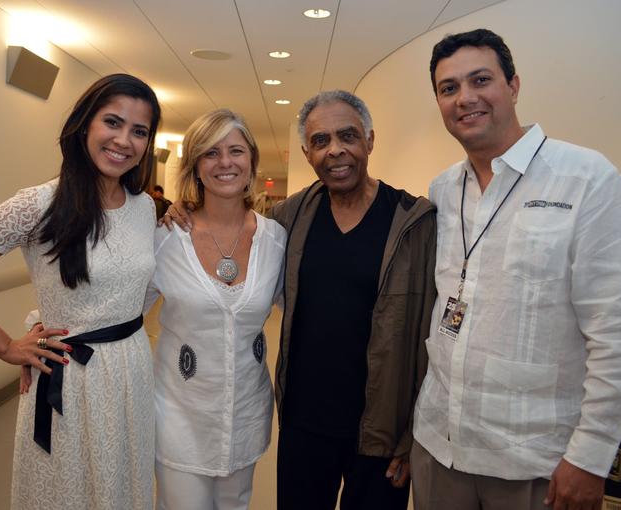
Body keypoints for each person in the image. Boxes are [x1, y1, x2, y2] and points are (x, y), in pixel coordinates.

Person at [166, 92, 437, 509]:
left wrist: (412, 434)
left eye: (347, 135)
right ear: (308, 153)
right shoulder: (289, 220)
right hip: (304, 425)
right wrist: (182, 207)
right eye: (321, 140)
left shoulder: (413, 222)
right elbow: (231, 227)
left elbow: (427, 334)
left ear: (369, 140)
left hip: (381, 432)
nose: (336, 150)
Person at [411, 29, 621, 510]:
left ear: (514, 86)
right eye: (448, 88)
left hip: (535, 462)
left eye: (481, 80)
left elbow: (617, 333)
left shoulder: (586, 179)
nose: (465, 98)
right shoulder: (442, 190)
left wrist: (591, 457)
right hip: (439, 445)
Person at [0, 74, 162, 510]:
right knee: (68, 492)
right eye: (112, 122)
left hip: (131, 368)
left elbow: (139, 287)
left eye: (139, 131)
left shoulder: (144, 207)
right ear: (85, 125)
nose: (123, 140)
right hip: (71, 377)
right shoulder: (37, 204)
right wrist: (7, 347)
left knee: (123, 485)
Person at [146, 109, 285, 509]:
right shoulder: (165, 237)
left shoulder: (275, 239)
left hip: (245, 413)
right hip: (178, 414)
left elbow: (304, 309)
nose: (225, 162)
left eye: (236, 151)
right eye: (211, 153)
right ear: (195, 166)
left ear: (252, 161)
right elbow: (121, 309)